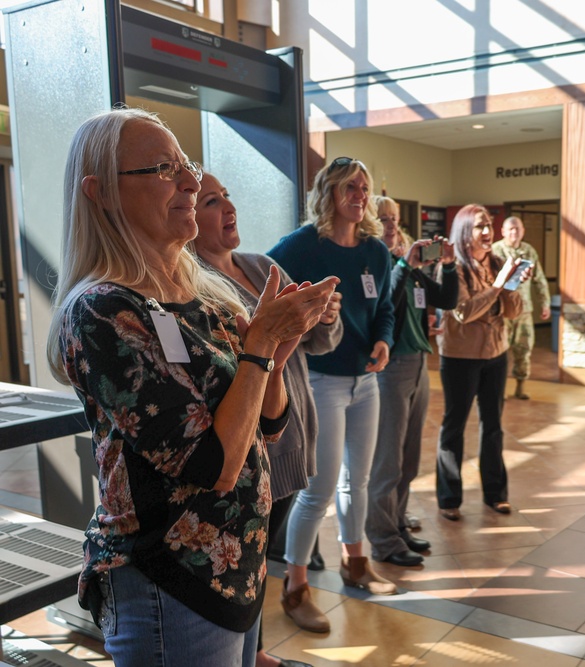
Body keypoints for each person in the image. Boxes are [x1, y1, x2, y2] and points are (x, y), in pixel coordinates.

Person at [48, 107, 337, 667]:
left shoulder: (205, 297)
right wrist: (257, 348)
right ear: (101, 192)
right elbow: (213, 466)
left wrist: (275, 356)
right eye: (162, 169)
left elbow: (270, 428)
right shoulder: (102, 311)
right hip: (169, 581)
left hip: (236, 571)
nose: (191, 182)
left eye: (186, 164)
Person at [191, 173, 343, 667]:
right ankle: (250, 653)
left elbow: (318, 346)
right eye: (212, 201)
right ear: (186, 216)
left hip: (291, 434)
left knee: (260, 558)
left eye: (227, 196)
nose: (227, 208)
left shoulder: (260, 266)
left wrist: (322, 318)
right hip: (245, 449)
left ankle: (252, 650)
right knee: (245, 561)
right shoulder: (190, 284)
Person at [268, 156, 399, 615]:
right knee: (319, 489)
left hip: (367, 384)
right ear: (329, 194)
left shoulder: (375, 252)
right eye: (349, 188)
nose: (359, 196)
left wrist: (384, 340)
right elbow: (261, 279)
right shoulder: (304, 246)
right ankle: (295, 585)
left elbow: (384, 307)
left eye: (363, 188)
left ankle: (355, 562)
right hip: (322, 383)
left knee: (357, 481)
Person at [365, 195, 458, 566]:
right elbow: (383, 301)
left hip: (419, 363)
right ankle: (384, 539)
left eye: (394, 218)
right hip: (390, 368)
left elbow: (446, 300)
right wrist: (405, 263)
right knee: (387, 459)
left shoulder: (408, 264)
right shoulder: (373, 262)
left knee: (408, 458)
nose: (390, 225)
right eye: (382, 218)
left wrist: (448, 266)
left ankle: (397, 523)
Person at [435, 204, 525, 521]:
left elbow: (513, 312)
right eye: (479, 227)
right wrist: (498, 285)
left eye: (489, 225)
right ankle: (449, 498)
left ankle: (495, 494)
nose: (487, 232)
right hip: (460, 357)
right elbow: (463, 312)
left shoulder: (499, 262)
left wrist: (513, 285)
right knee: (454, 426)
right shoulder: (453, 267)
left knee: (494, 427)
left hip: (496, 354)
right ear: (464, 232)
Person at [491, 216, 551, 399]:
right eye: (510, 229)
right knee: (499, 351)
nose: (514, 233)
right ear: (503, 231)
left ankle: (520, 387)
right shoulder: (496, 250)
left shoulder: (528, 251)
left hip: (524, 310)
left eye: (517, 229)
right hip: (502, 310)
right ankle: (498, 389)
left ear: (523, 231)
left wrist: (545, 303)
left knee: (524, 349)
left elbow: (539, 278)